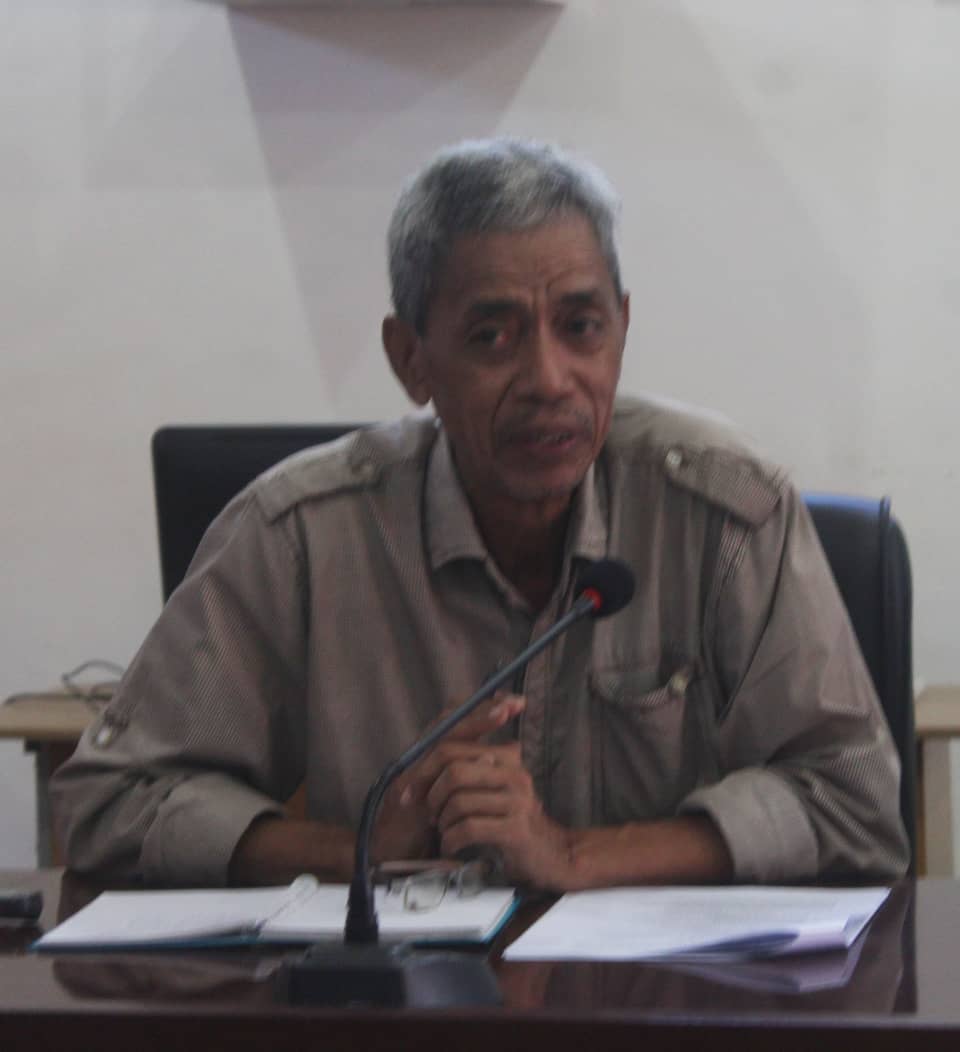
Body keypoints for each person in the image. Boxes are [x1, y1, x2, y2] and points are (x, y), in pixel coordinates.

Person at [51, 139, 909, 889]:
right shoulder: (302, 535)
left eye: (581, 326)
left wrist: (571, 855)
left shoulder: (727, 513)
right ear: (411, 360)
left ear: (622, 328)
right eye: (492, 337)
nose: (549, 379)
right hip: (396, 999)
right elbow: (108, 802)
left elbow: (855, 801)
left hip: (668, 998)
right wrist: (358, 847)